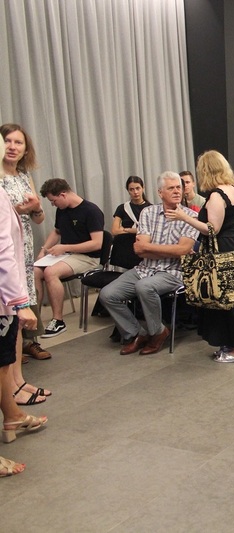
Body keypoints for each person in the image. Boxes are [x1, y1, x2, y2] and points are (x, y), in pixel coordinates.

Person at [99, 172, 199, 356]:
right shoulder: (148, 212)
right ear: (160, 193)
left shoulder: (191, 216)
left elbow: (183, 250)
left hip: (173, 272)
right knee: (107, 294)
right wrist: (170, 248)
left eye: (179, 187)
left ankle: (157, 333)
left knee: (144, 287)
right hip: (145, 268)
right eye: (171, 188)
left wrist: (151, 247)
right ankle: (137, 333)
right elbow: (139, 250)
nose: (177, 191)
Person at [168, 151, 234, 363]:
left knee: (226, 299)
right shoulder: (233, 190)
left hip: (223, 248)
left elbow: (211, 229)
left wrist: (183, 216)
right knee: (229, 297)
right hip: (233, 245)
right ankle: (233, 345)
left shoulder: (216, 195)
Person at [1, 123, 52, 407]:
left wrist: (34, 208)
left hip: (23, 248)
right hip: (4, 250)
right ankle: (10, 388)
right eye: (7, 141)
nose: (13, 146)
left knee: (18, 322)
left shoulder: (24, 175)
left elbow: (40, 218)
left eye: (18, 142)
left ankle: (18, 380)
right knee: (8, 320)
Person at [1, 186, 48, 476]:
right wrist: (19, 302)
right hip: (5, 294)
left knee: (4, 363)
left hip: (8, 289)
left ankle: (13, 416)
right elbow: (3, 251)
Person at [35, 178, 104, 337]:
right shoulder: (62, 209)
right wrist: (43, 250)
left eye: (53, 201)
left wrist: (65, 247)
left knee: (50, 272)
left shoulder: (91, 211)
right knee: (36, 270)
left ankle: (58, 321)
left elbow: (97, 244)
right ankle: (35, 318)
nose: (53, 205)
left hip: (87, 257)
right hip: (67, 254)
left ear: (63, 194)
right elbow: (57, 232)